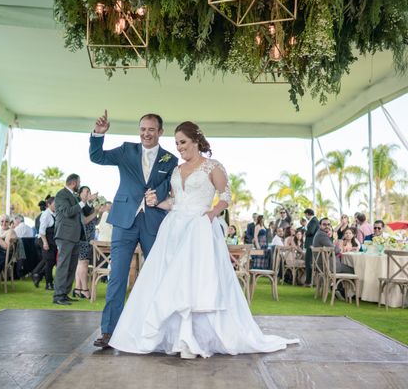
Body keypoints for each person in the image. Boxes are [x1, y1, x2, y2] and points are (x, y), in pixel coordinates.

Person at [109, 121, 298, 358]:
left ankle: (194, 337)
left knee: (195, 281)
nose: (179, 148)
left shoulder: (213, 166)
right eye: (177, 143)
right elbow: (175, 202)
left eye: (183, 142)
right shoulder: (176, 170)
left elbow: (226, 195)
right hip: (174, 228)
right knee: (170, 280)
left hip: (199, 228)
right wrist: (156, 202)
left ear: (196, 141)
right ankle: (174, 336)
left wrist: (211, 214)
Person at [90, 111, 178, 348]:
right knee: (116, 277)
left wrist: (156, 196)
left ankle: (155, 330)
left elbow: (170, 187)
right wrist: (98, 134)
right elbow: (97, 157)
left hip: (153, 222)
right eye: (142, 129)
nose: (146, 133)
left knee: (157, 277)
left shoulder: (170, 159)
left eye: (151, 129)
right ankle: (109, 332)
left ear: (160, 132)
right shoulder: (126, 150)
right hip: (124, 222)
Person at [52, 174, 96, 305]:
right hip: (65, 235)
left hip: (75, 236)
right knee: (63, 266)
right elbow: (67, 212)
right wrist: (82, 202)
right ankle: (58, 296)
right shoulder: (61, 194)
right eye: (79, 182)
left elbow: (85, 211)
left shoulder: (74, 196)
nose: (80, 184)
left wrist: (89, 201)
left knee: (71, 267)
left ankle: (64, 293)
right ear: (73, 183)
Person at [74, 186, 100, 299]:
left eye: (89, 191)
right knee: (82, 263)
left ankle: (78, 288)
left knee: (81, 263)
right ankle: (84, 289)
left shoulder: (88, 206)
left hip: (88, 238)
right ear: (80, 194)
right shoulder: (79, 205)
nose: (89, 193)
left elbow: (94, 221)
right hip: (82, 237)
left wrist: (98, 212)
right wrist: (96, 212)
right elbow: (84, 221)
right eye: (86, 192)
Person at [31, 196, 56, 290]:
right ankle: (49, 283)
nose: (56, 205)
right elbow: (42, 231)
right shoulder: (46, 215)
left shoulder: (54, 214)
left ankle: (38, 274)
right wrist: (45, 243)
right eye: (55, 204)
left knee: (52, 261)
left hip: (52, 241)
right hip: (45, 240)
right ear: (49, 204)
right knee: (49, 261)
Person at [303, 208, 319, 286]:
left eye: (305, 215)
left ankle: (308, 282)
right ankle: (309, 281)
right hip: (311, 244)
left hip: (311, 244)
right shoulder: (314, 220)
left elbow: (311, 231)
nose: (305, 216)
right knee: (309, 262)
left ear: (308, 213)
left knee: (308, 262)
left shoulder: (313, 221)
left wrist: (305, 232)